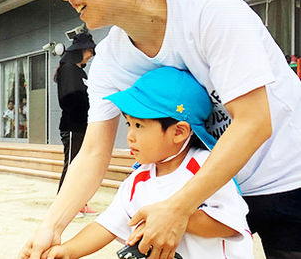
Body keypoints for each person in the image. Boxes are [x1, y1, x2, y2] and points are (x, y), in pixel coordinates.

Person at [19, 0, 301, 258]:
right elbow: (94, 152)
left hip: (288, 179)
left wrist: (179, 207)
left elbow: (254, 122)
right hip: (207, 189)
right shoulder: (110, 59)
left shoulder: (211, 11)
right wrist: (52, 225)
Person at [44, 67, 254, 259]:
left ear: (179, 132)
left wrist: (172, 218)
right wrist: (68, 250)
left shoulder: (207, 167)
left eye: (139, 125)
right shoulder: (138, 180)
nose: (130, 136)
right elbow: (108, 225)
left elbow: (229, 224)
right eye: (128, 124)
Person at [54, 32, 97, 216]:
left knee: (82, 166)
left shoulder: (80, 71)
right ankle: (62, 207)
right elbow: (69, 98)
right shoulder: (68, 69)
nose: (91, 54)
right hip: (73, 125)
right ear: (80, 50)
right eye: (89, 50)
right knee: (72, 165)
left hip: (83, 125)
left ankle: (79, 203)